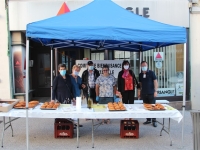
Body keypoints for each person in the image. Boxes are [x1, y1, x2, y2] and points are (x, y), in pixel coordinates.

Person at [138, 61, 158, 127]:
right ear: (141, 67)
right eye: (142, 66)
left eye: (145, 65)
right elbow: (140, 84)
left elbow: (155, 82)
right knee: (146, 107)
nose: (144, 67)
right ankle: (148, 120)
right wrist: (139, 92)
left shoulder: (151, 73)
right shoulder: (140, 75)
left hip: (151, 93)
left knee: (152, 107)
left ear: (147, 66)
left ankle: (154, 120)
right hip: (144, 93)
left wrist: (155, 91)